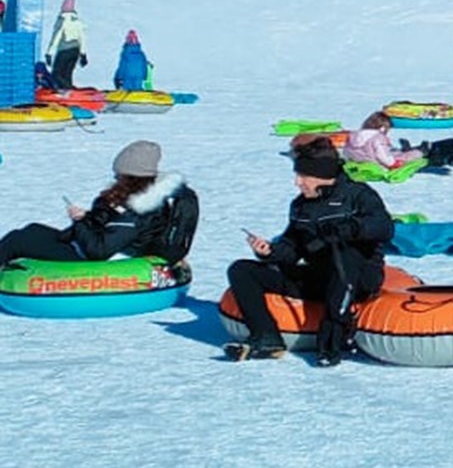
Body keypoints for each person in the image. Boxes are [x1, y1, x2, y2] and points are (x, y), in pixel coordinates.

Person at [226, 139, 393, 365]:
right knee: (241, 270)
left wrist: (350, 229)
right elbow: (292, 249)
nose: (297, 182)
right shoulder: (301, 205)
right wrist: (270, 252)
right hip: (319, 278)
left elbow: (384, 226)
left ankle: (332, 342)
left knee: (344, 256)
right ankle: (266, 337)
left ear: (321, 175)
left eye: (303, 176)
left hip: (358, 279)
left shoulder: (358, 195)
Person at [0, 140, 191, 266]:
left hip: (98, 260)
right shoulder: (141, 199)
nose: (116, 178)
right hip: (93, 247)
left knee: (18, 240)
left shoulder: (139, 209)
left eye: (120, 175)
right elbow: (112, 227)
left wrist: (81, 222)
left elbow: (98, 251)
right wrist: (89, 217)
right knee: (34, 229)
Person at [342, 111, 413, 174]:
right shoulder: (377, 138)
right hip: (375, 164)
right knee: (408, 155)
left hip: (357, 161)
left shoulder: (353, 135)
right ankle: (414, 151)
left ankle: (402, 150)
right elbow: (382, 156)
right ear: (383, 128)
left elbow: (346, 151)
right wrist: (393, 164)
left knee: (392, 151)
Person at [45, 0, 87, 91]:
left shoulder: (62, 20)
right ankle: (70, 92)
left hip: (64, 49)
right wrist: (83, 54)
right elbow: (82, 38)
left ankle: (68, 90)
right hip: (75, 50)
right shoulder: (77, 20)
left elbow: (56, 37)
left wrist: (49, 53)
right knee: (67, 74)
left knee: (56, 74)